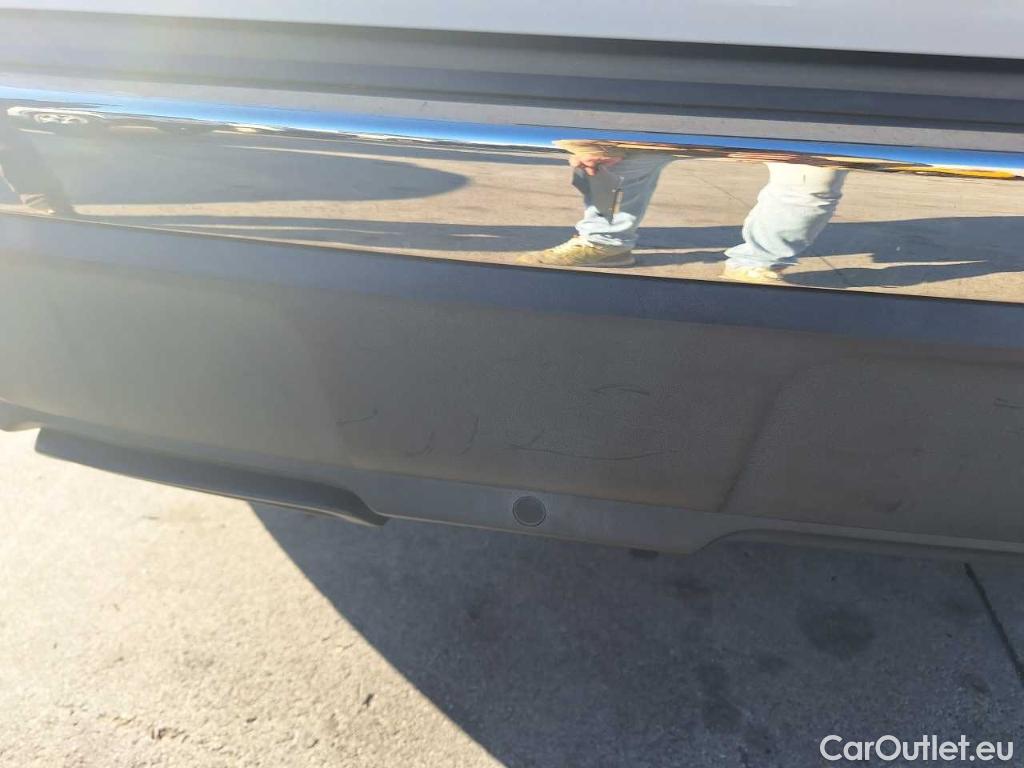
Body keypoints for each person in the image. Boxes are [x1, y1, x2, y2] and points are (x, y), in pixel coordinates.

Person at [523, 142, 847, 284]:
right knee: (604, 162)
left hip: (780, 109)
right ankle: (604, 243)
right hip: (671, 106)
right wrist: (586, 142)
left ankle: (759, 264)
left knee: (812, 180)